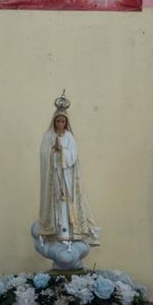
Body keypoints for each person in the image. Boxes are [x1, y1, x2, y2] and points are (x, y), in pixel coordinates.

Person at [30, 94, 100, 270]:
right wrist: (52, 152)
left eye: (62, 121)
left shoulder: (69, 137)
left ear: (66, 122)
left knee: (67, 207)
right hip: (54, 181)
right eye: (58, 121)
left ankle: (69, 237)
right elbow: (44, 155)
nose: (60, 124)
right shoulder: (48, 137)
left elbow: (72, 157)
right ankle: (55, 236)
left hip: (67, 180)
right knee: (56, 207)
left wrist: (62, 152)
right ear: (54, 122)